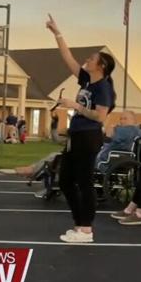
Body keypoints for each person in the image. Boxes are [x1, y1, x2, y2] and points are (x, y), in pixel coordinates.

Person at [45, 14, 116, 244]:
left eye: (93, 57)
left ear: (101, 65)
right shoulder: (87, 80)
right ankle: (79, 225)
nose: (88, 58)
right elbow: (68, 58)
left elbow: (100, 116)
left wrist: (75, 106)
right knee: (65, 180)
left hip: (89, 136)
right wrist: (57, 33)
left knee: (84, 182)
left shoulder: (103, 88)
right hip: (76, 136)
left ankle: (86, 229)